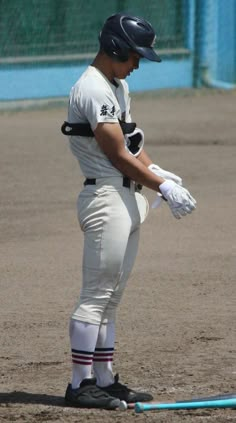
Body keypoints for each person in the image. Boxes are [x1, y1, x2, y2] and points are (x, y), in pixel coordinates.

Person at [61, 13, 196, 410]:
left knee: (112, 298)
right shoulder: (92, 88)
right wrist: (163, 186)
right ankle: (78, 384)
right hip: (105, 199)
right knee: (95, 296)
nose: (137, 63)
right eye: (134, 55)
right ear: (116, 48)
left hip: (125, 198)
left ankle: (103, 378)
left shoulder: (116, 86)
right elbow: (116, 154)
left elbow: (132, 143)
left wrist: (153, 171)